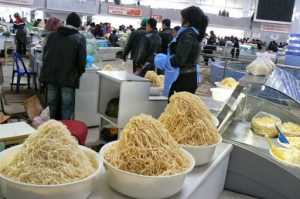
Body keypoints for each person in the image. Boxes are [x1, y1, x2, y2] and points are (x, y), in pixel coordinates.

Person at [40, 12, 86, 120]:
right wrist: (78, 74)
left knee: (51, 105)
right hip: (68, 78)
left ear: (66, 22)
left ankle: (49, 129)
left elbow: (45, 55)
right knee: (66, 106)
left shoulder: (52, 35)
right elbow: (81, 62)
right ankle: (64, 131)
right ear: (78, 24)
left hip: (50, 75)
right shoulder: (79, 38)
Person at [155, 6, 208, 98]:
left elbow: (179, 60)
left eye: (182, 17)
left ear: (188, 19)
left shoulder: (187, 35)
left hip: (182, 79)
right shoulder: (193, 33)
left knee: (177, 108)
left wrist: (163, 61)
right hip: (188, 76)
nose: (180, 19)